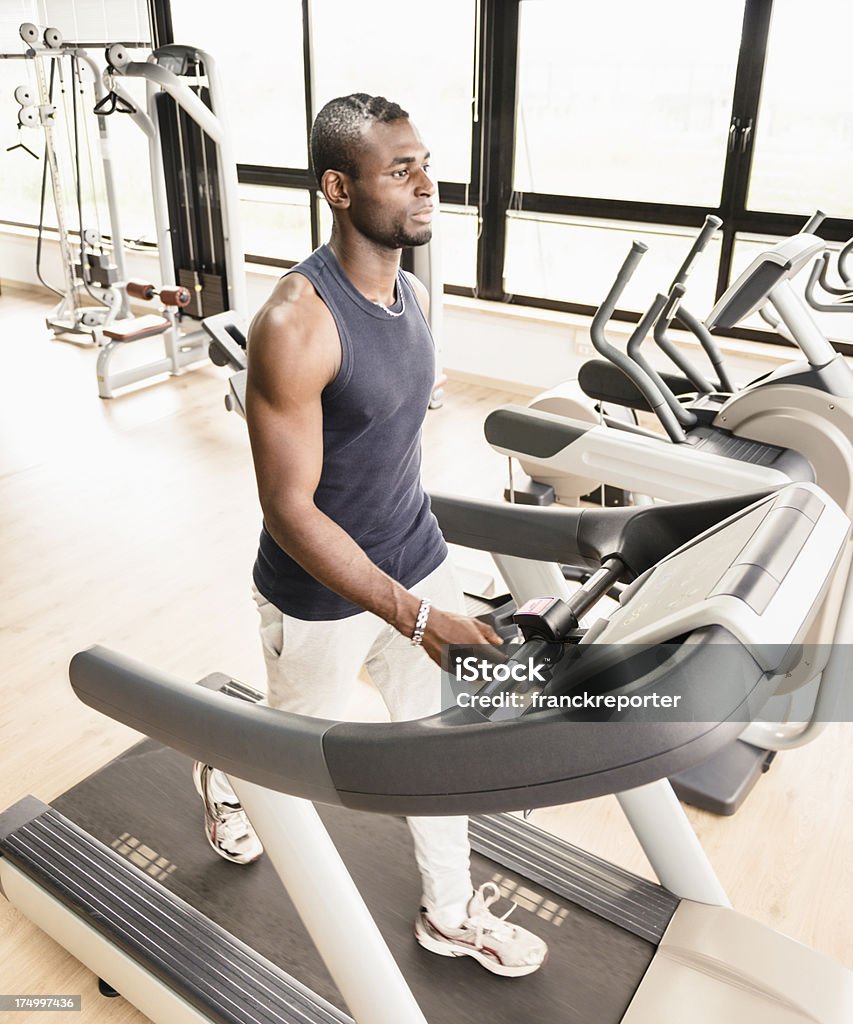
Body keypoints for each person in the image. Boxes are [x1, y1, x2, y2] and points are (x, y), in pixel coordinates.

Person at [193, 93, 547, 978]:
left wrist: (431, 597)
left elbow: (389, 444)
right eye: (400, 171)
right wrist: (418, 621)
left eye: (425, 163)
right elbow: (292, 509)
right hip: (316, 594)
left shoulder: (414, 292)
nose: (427, 185)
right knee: (291, 747)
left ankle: (449, 910)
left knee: (437, 748)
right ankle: (226, 778)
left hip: (415, 558)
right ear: (338, 188)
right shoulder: (296, 323)